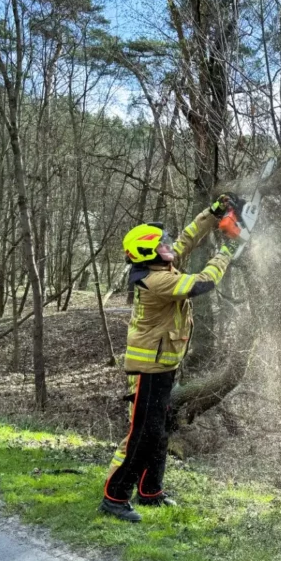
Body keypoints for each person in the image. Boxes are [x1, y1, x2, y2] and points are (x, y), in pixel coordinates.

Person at [99, 194, 243, 523]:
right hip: (148, 368)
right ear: (149, 252)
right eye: (162, 244)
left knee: (161, 427)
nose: (169, 247)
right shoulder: (156, 280)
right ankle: (115, 496)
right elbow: (204, 282)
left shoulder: (158, 263)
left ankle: (151, 491)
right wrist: (229, 248)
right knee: (144, 432)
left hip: (164, 363)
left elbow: (187, 238)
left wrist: (214, 212)